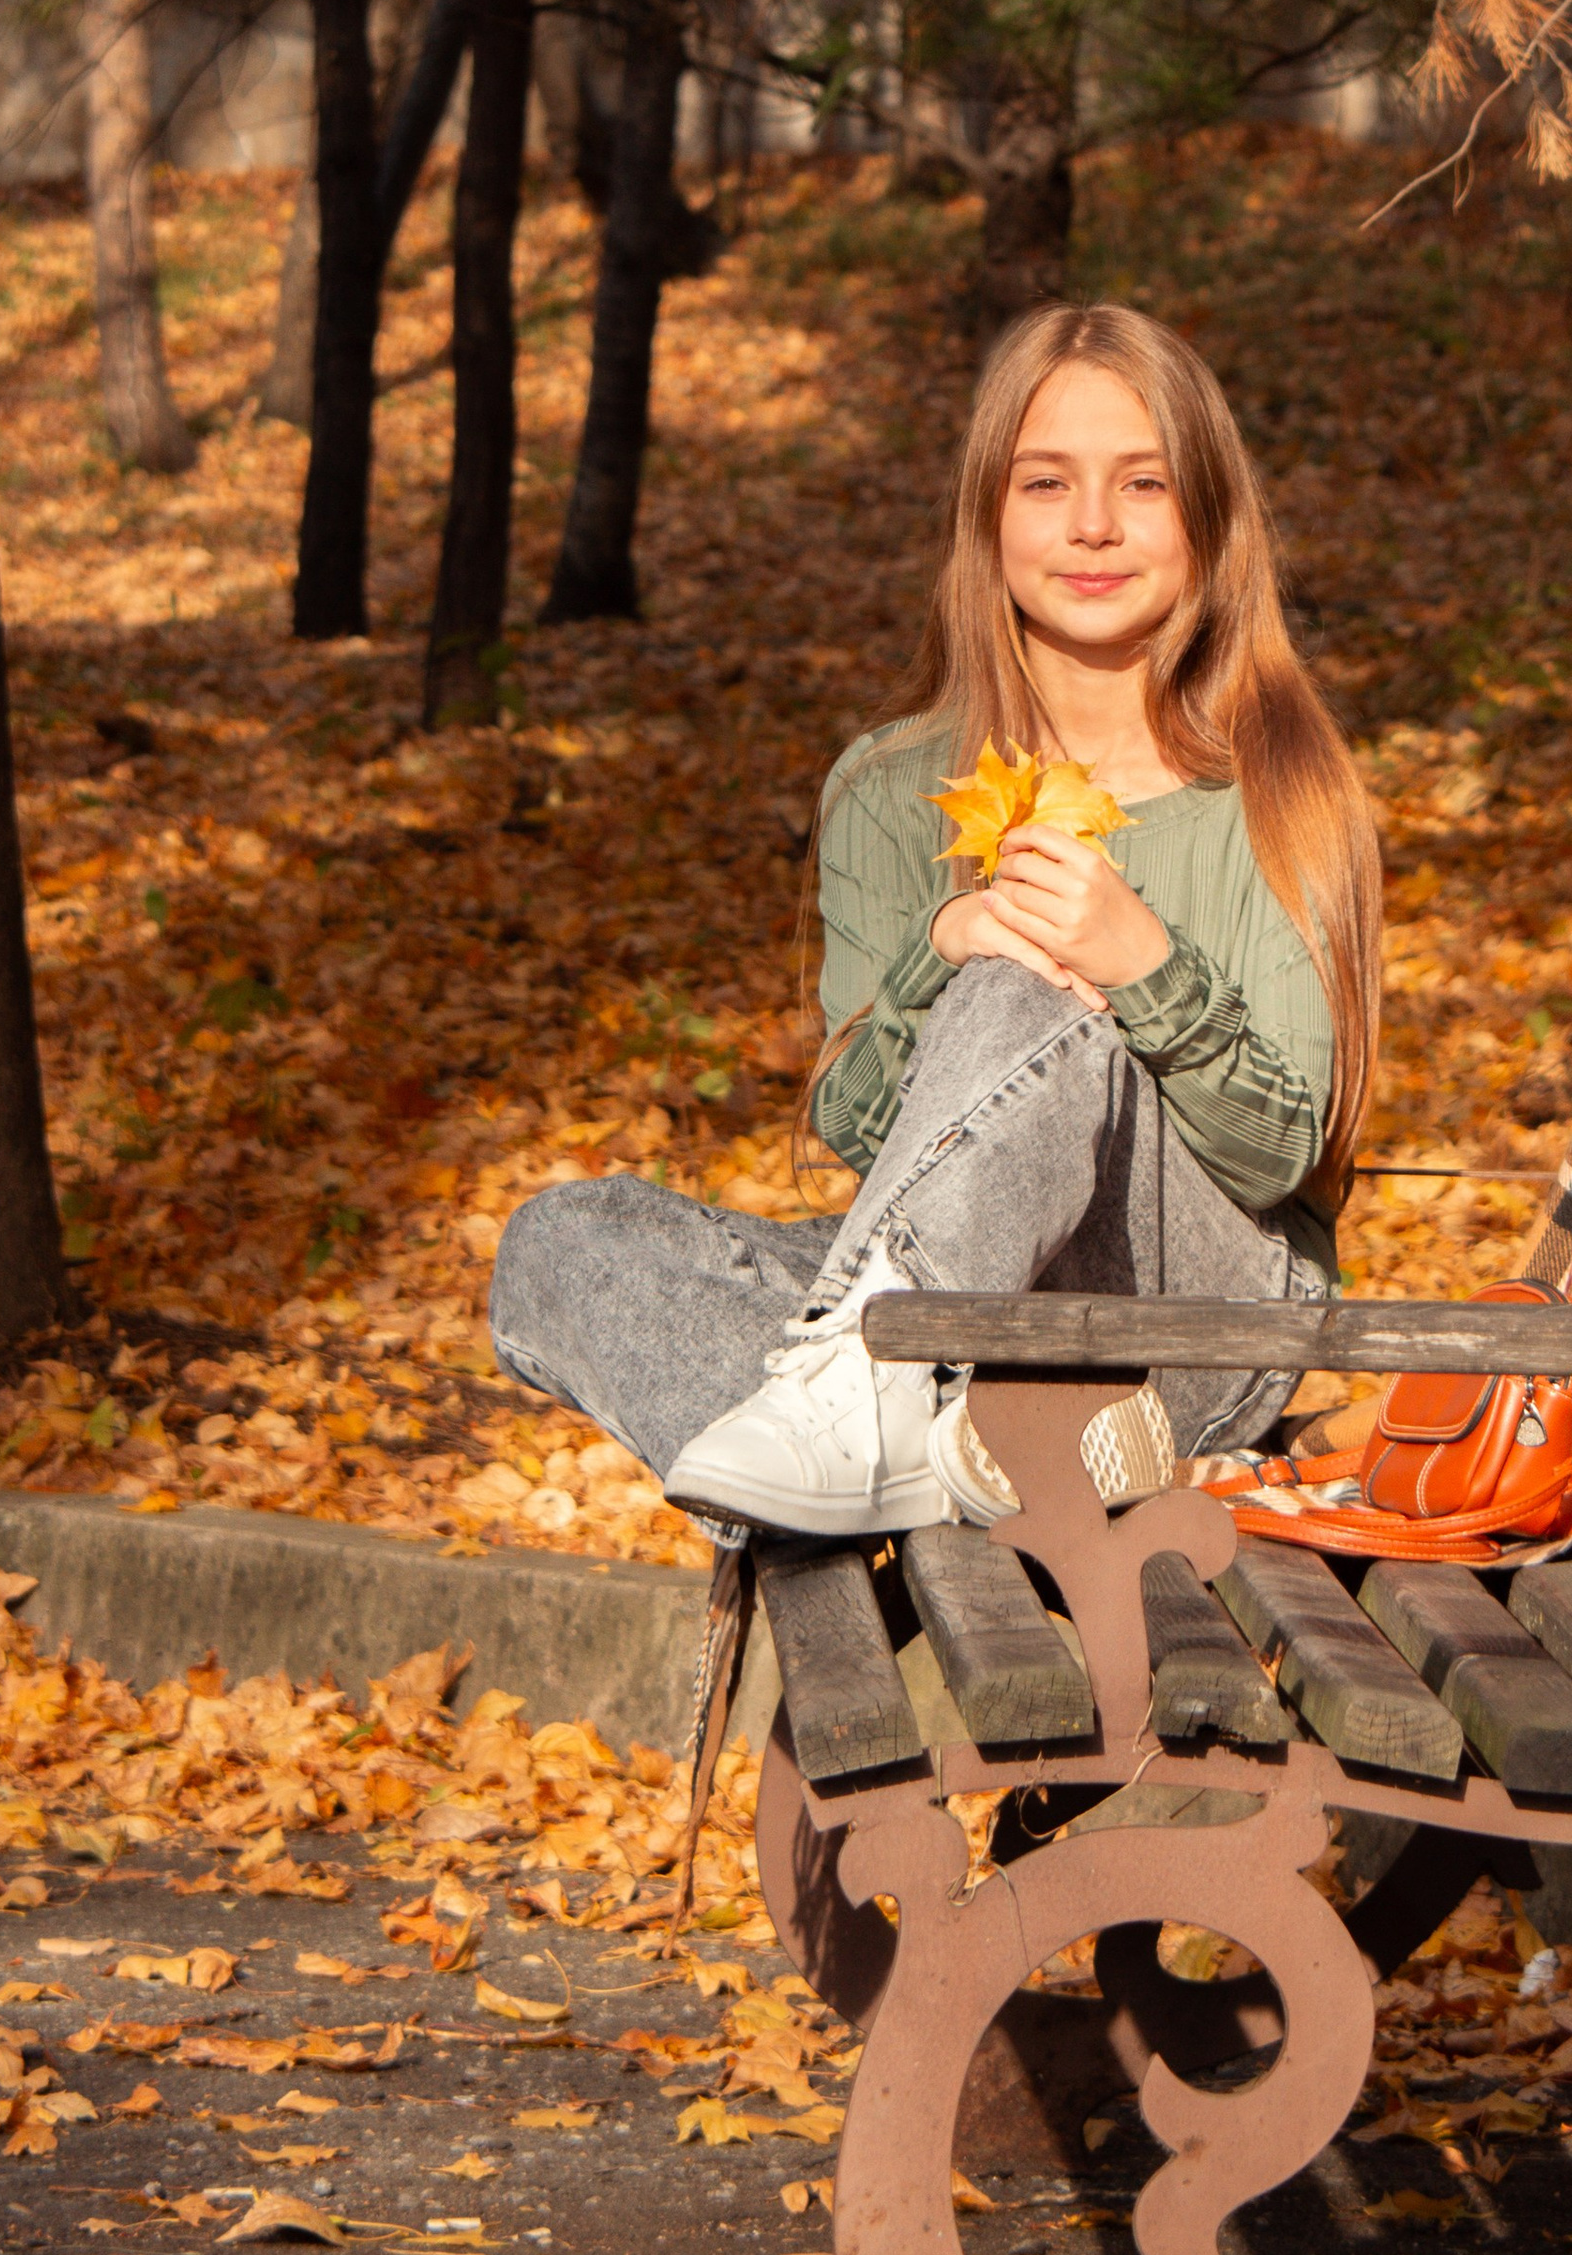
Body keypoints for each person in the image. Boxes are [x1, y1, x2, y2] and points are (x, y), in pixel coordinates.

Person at [489, 300, 1382, 1541]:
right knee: (560, 1243)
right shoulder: (886, 786)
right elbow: (862, 1130)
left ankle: (861, 1416)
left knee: (1029, 983)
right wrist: (936, 955)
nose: (1090, 526)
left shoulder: (1283, 788)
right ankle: (909, 1444)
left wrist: (1145, 971)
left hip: (1191, 1326)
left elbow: (1285, 1161)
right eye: (1043, 483)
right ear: (986, 518)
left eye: (1142, 483)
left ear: (1210, 520)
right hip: (945, 1292)